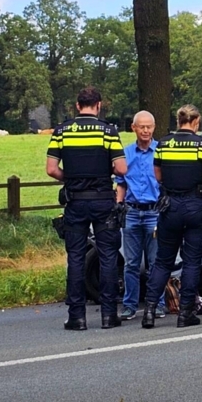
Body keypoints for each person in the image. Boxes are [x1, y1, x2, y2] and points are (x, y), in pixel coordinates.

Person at [46, 86, 127, 330]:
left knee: (76, 257)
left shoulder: (61, 131)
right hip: (103, 200)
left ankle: (77, 317)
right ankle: (109, 316)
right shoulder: (108, 131)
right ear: (99, 105)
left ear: (77, 105)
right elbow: (121, 168)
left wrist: (71, 178)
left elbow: (51, 169)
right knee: (108, 256)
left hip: (76, 202)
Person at [141, 104, 202, 329]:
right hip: (195, 205)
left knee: (163, 261)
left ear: (178, 121)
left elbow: (158, 176)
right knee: (192, 261)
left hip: (170, 207)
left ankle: (149, 312)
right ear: (196, 122)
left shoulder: (163, 144)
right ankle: (186, 313)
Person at [114, 110, 167, 321]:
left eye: (149, 127)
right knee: (131, 264)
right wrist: (118, 207)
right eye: (141, 127)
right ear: (133, 128)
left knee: (156, 263)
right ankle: (129, 305)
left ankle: (158, 304)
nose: (145, 130)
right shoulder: (125, 153)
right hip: (132, 212)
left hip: (155, 212)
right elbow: (121, 184)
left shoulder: (161, 151)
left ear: (154, 128)